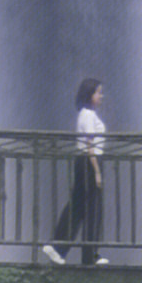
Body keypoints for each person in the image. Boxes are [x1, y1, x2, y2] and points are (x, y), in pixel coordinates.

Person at [43, 78, 108, 266]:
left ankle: (60, 248)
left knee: (79, 207)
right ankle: (84, 254)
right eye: (98, 92)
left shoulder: (87, 114)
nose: (101, 96)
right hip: (89, 161)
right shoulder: (87, 115)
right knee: (91, 209)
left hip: (86, 161)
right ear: (89, 94)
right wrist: (96, 171)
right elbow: (90, 144)